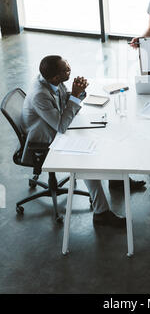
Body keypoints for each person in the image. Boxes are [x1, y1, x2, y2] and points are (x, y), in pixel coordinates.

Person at [21, 55, 128, 228]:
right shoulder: (40, 95)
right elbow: (61, 125)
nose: (70, 69)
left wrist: (79, 93)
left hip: (54, 128)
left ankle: (116, 180)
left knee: (101, 135)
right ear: (56, 77)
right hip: (44, 140)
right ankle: (101, 213)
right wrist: (76, 96)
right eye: (67, 69)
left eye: (68, 65)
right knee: (86, 159)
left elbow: (64, 100)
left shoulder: (52, 81)